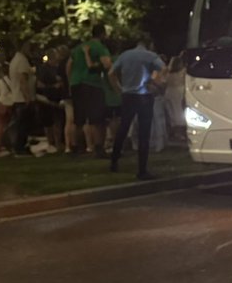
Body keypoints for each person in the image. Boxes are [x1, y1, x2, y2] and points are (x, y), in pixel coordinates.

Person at [109, 35, 165, 179]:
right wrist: (154, 82)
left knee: (123, 128)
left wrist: (119, 89)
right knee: (143, 133)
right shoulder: (151, 56)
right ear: (149, 44)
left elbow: (111, 73)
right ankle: (142, 170)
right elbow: (164, 69)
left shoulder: (125, 55)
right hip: (144, 96)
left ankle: (114, 161)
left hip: (127, 95)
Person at [67, 23, 112, 156]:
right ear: (103, 34)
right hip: (92, 84)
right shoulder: (100, 48)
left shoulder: (78, 48)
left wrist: (71, 81)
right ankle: (98, 147)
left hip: (76, 83)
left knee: (78, 119)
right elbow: (107, 64)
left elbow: (69, 65)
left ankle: (75, 147)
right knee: (96, 118)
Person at [8, 39, 35, 156]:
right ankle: (20, 147)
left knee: (20, 124)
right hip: (22, 98)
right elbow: (22, 79)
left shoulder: (15, 60)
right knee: (23, 125)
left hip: (17, 97)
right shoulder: (22, 61)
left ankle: (19, 146)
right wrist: (27, 96)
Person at [36, 48, 65, 152]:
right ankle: (51, 142)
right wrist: (53, 86)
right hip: (47, 97)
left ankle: (58, 142)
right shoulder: (43, 69)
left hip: (57, 97)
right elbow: (39, 84)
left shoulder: (58, 68)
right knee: (48, 122)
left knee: (58, 121)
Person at [0, 63, 15, 156]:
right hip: (12, 103)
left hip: (2, 103)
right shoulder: (14, 80)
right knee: (10, 126)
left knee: (0, 127)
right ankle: (10, 146)